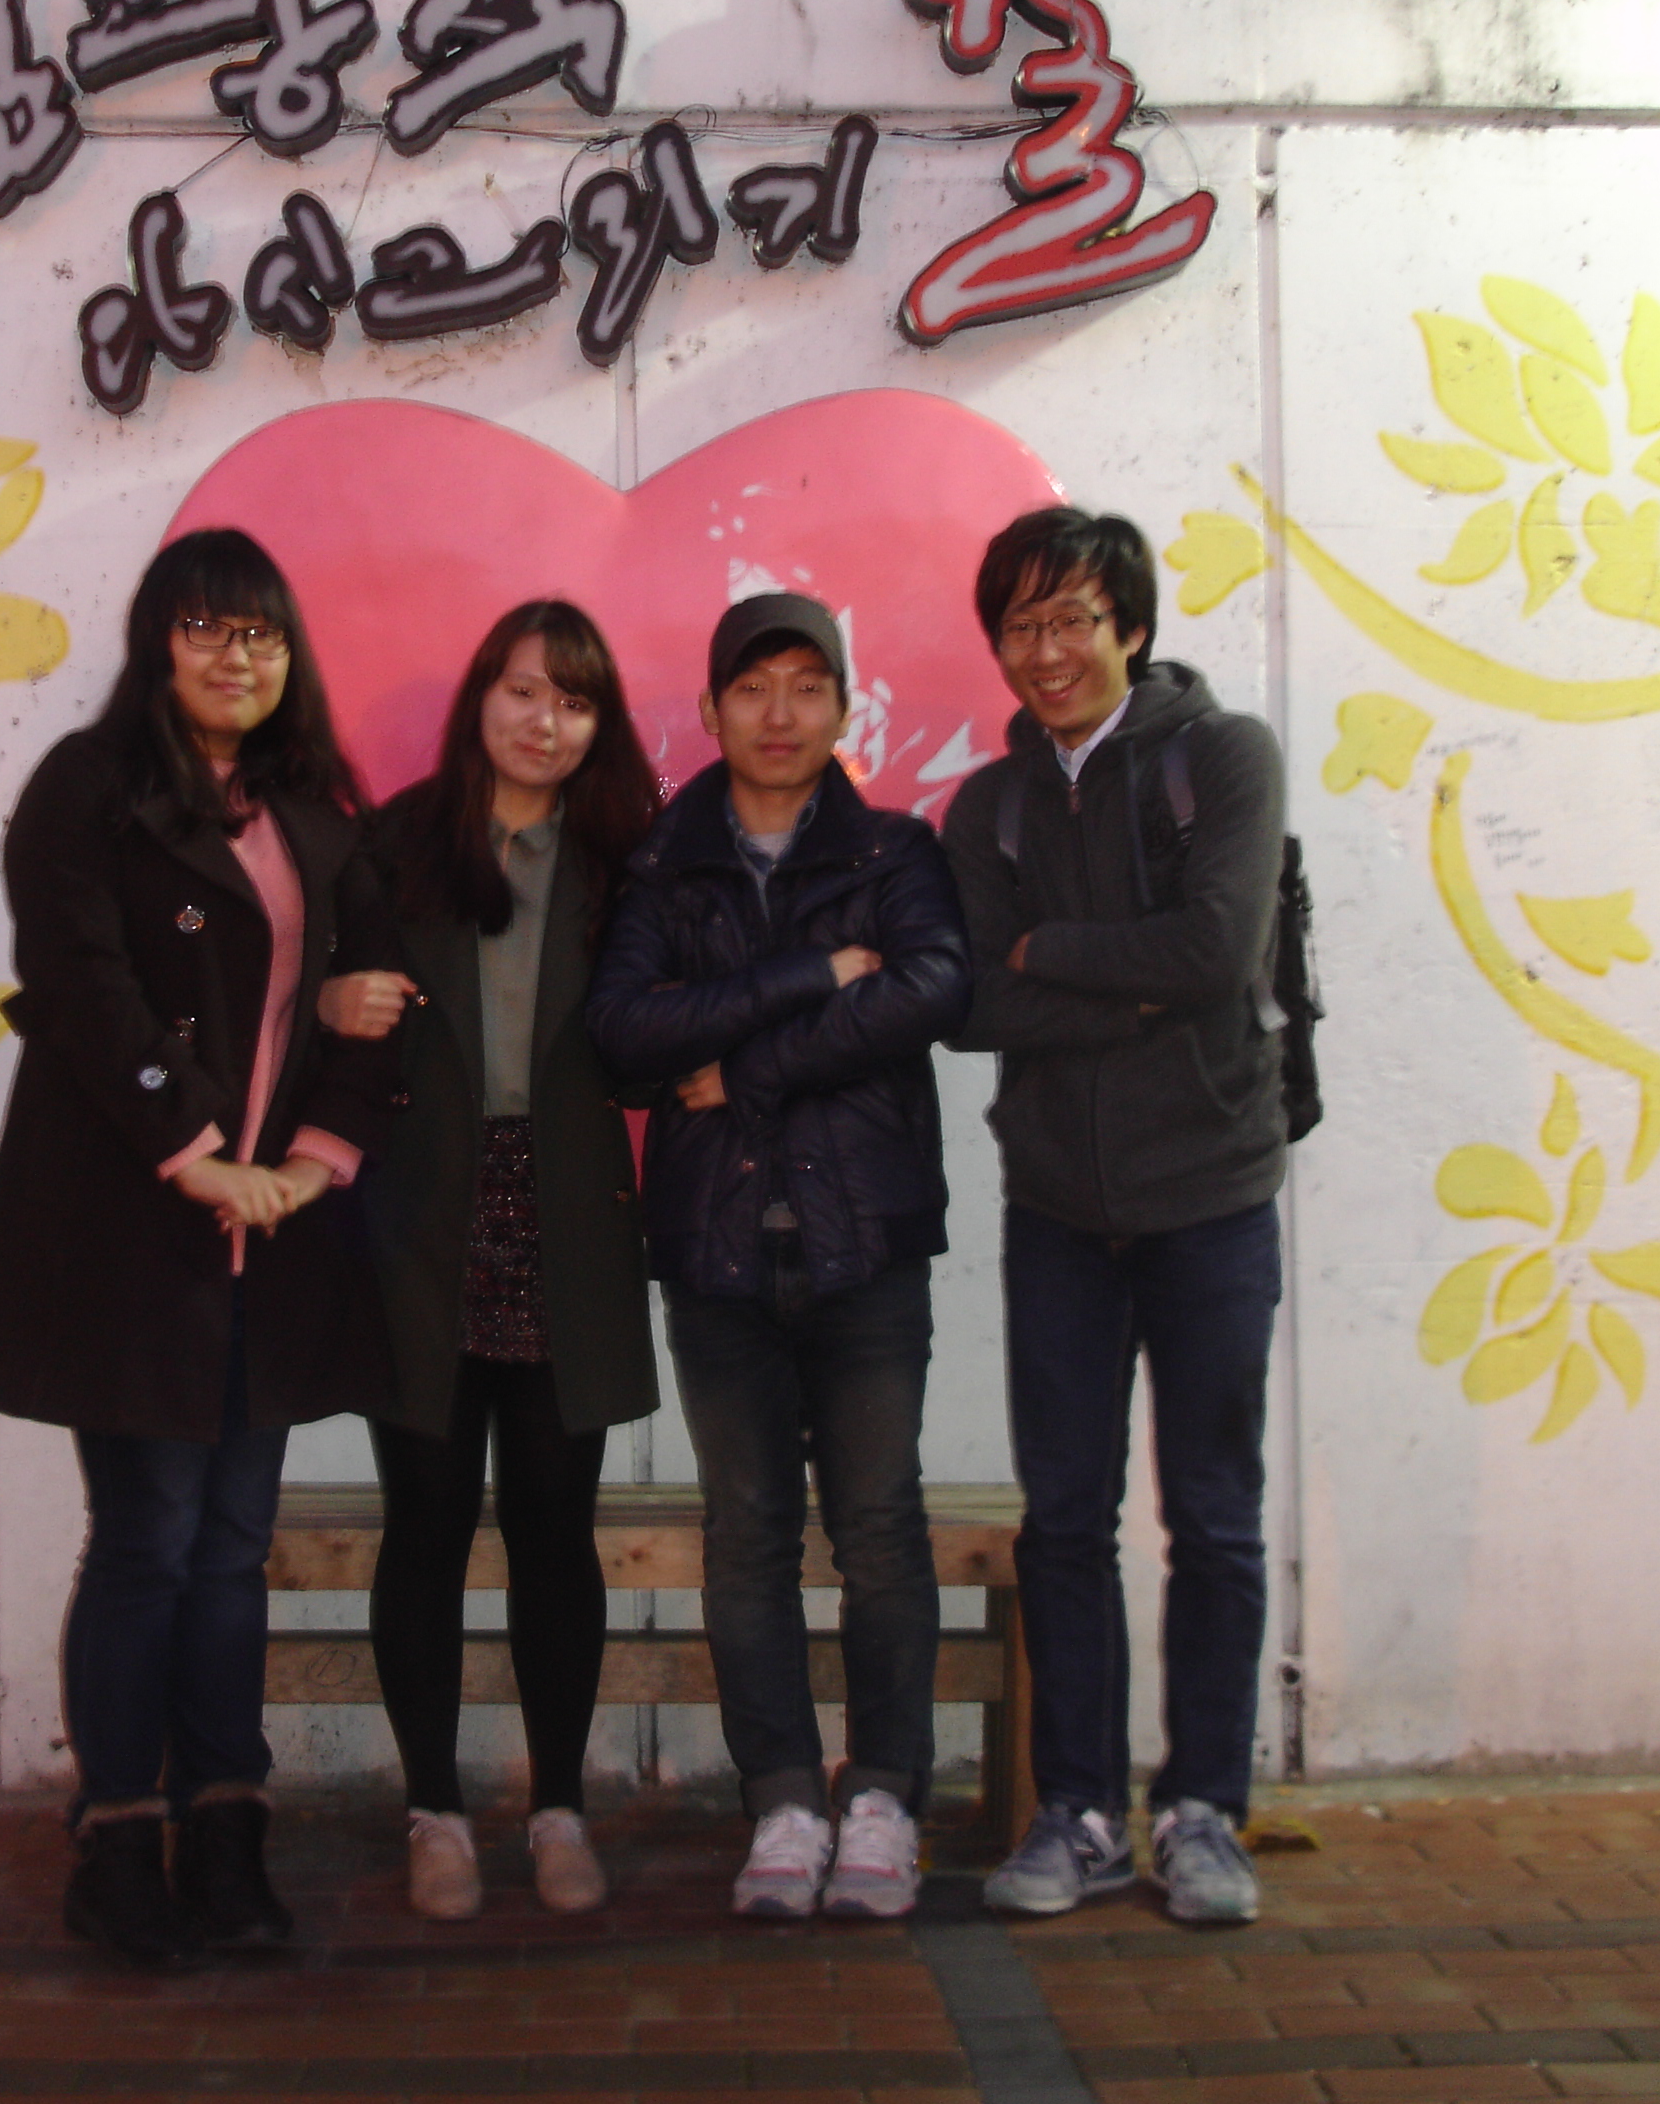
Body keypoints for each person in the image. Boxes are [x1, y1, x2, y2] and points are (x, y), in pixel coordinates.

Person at [0, 527, 398, 1971]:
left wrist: (309, 1165)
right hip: (137, 1230)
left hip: (276, 1238)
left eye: (260, 633)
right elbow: (81, 985)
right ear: (157, 641)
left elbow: (365, 1001)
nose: (236, 657)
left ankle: (230, 1830)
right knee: (148, 1541)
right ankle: (122, 1838)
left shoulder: (315, 810)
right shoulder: (89, 789)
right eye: (206, 629)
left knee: (235, 1550)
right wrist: (199, 1156)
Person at [585, 592, 970, 1921]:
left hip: (867, 1249)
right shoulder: (660, 867)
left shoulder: (897, 851)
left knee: (881, 1530)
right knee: (746, 1538)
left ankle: (885, 1799)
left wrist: (742, 1069)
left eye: (809, 686)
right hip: (718, 1254)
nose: (781, 713)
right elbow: (623, 1036)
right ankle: (787, 1803)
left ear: (844, 707)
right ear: (709, 711)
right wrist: (812, 976)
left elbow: (931, 989)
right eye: (754, 688)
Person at [940, 506, 1288, 1926]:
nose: (1048, 651)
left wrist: (1054, 951)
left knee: (1213, 1518)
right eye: (1021, 626)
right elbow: (975, 1002)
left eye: (1074, 619)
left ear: (1130, 626)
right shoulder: (989, 808)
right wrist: (1119, 985)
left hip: (1211, 1199)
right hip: (1059, 1213)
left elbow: (1216, 950)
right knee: (1066, 1521)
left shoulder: (1223, 758)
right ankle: (1076, 1812)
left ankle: (1203, 1811)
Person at [316, 602, 664, 1921]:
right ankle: (436, 1813)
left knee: (555, 1525)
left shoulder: (629, 858)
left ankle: (559, 1805)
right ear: (480, 698)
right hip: (422, 1216)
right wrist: (327, 1005)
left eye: (573, 701)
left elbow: (669, 1012)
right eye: (523, 691)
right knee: (425, 1519)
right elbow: (315, 1001)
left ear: (598, 724)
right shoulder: (399, 843)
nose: (544, 722)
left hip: (565, 1214)